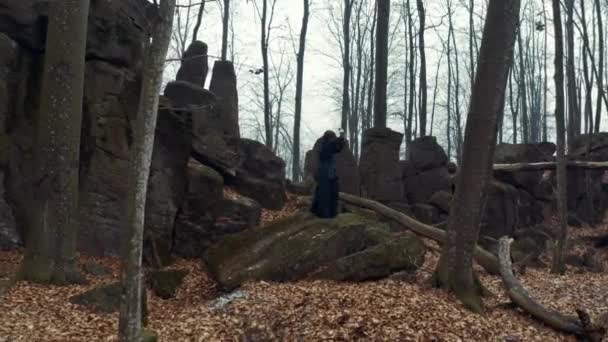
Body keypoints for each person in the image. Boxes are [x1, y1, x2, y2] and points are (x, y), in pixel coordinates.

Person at [310, 129, 346, 218]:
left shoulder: (329, 144)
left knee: (332, 192)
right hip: (323, 172)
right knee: (324, 194)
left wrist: (342, 138)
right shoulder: (322, 143)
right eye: (332, 139)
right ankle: (323, 214)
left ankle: (330, 213)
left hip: (330, 172)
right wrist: (339, 139)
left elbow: (338, 148)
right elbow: (327, 150)